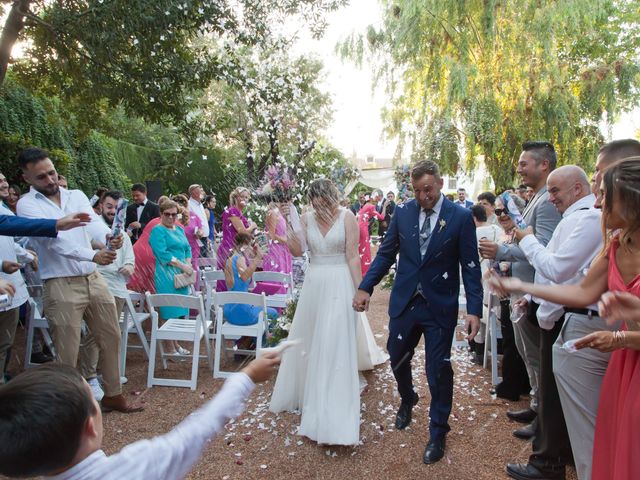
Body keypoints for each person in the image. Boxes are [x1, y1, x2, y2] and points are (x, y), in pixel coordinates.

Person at [487, 157, 640, 480]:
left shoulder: (588, 221)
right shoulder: (614, 244)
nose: (597, 202)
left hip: (626, 351)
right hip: (626, 364)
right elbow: (582, 293)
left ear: (628, 198)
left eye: (603, 195)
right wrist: (520, 285)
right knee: (611, 443)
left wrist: (622, 337)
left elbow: (560, 271)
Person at [353, 160, 483, 464]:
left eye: (428, 189)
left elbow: (471, 267)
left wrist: (474, 309)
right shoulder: (404, 211)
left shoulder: (461, 217)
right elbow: (385, 253)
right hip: (406, 301)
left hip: (440, 304)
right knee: (396, 354)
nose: (423, 196)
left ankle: (438, 431)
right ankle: (408, 396)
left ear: (439, 183)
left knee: (438, 370)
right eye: (417, 190)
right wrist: (365, 286)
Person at [0, 355, 281, 479]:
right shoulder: (134, 467)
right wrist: (247, 377)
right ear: (90, 427)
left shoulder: (36, 459)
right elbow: (198, 430)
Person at [16, 147, 140, 413]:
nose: (50, 180)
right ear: (27, 178)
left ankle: (113, 395)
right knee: (67, 349)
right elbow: (52, 243)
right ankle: (70, 409)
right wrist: (93, 255)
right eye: (41, 177)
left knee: (110, 336)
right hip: (60, 282)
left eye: (52, 173)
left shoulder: (76, 195)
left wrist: (109, 236)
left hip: (93, 278)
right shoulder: (27, 204)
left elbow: (92, 224)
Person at [504, 166, 601, 480]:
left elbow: (558, 269)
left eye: (555, 191)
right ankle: (552, 455)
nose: (551, 198)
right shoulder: (575, 218)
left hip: (571, 318)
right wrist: (532, 299)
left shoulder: (586, 219)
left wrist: (527, 239)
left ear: (577, 188)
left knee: (561, 400)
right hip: (557, 312)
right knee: (552, 395)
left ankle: (548, 463)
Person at [270, 179, 365, 446]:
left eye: (325, 201)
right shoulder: (305, 217)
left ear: (332, 198)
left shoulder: (347, 217)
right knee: (314, 339)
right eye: (315, 202)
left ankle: (334, 403)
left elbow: (352, 256)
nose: (320, 206)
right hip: (314, 284)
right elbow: (298, 250)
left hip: (339, 282)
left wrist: (361, 290)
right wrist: (289, 222)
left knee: (335, 339)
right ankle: (312, 393)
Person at [479, 141, 562, 441]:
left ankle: (543, 420)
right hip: (521, 289)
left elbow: (543, 250)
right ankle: (536, 405)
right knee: (529, 356)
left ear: (543, 165)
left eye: (524, 163)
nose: (518, 168)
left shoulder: (547, 205)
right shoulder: (535, 199)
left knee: (538, 358)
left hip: (533, 291)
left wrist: (502, 250)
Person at [78, 191, 136, 400]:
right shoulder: (90, 230)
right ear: (101, 206)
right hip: (98, 283)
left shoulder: (124, 236)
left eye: (116, 208)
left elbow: (130, 258)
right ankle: (90, 376)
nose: (113, 211)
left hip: (118, 287)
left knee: (112, 333)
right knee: (95, 334)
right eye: (109, 206)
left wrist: (128, 266)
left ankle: (107, 374)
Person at [491, 195, 532, 401]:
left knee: (520, 343)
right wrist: (496, 276)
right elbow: (493, 264)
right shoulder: (501, 235)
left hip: (524, 292)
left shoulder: (525, 233)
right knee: (510, 339)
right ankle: (514, 384)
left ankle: (517, 386)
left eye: (506, 211)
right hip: (505, 292)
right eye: (498, 211)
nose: (502, 215)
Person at [148, 200, 193, 357]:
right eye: (167, 214)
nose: (171, 217)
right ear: (161, 214)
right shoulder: (157, 231)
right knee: (168, 311)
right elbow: (163, 254)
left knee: (178, 310)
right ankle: (170, 348)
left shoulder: (179, 229)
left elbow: (188, 248)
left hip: (182, 274)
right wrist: (182, 266)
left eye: (174, 214)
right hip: (166, 274)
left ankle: (176, 343)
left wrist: (188, 263)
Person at [470, 204, 503, 364]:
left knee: (479, 310)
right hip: (496, 275)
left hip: (481, 274)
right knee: (491, 309)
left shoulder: (473, 233)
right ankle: (489, 348)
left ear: (473, 218)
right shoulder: (497, 229)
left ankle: (478, 349)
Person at [223, 232, 278, 328]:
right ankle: (266, 342)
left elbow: (235, 286)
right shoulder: (239, 258)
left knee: (257, 308)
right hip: (241, 311)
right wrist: (257, 258)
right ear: (245, 245)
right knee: (274, 313)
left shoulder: (228, 259)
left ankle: (248, 341)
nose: (252, 249)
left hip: (228, 310)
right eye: (251, 245)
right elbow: (244, 277)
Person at [216, 187, 257, 291]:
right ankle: (231, 303)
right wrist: (252, 226)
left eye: (247, 197)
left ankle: (237, 302)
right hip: (230, 248)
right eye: (242, 196)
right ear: (236, 198)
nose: (245, 199)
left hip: (238, 248)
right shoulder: (233, 211)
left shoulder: (239, 212)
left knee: (239, 280)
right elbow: (242, 231)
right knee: (232, 280)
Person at [257, 200, 293, 292]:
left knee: (284, 277)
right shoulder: (272, 213)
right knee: (276, 277)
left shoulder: (280, 213)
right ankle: (275, 302)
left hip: (284, 250)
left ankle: (284, 301)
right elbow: (271, 235)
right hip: (276, 251)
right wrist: (286, 241)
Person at [173, 194, 204, 291]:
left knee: (192, 270)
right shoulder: (172, 217)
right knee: (177, 272)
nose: (181, 205)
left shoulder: (194, 216)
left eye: (183, 203)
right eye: (178, 203)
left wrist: (199, 233)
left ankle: (193, 295)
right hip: (176, 249)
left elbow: (201, 230)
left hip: (192, 248)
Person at [357, 192, 385, 276]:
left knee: (360, 248)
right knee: (365, 249)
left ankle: (360, 269)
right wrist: (384, 207)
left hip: (358, 228)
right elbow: (381, 217)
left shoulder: (364, 206)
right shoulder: (371, 206)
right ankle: (365, 272)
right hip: (363, 229)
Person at [188, 184, 210, 257]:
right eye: (201, 190)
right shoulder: (189, 205)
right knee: (199, 262)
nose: (203, 193)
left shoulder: (200, 204)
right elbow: (190, 223)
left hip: (204, 238)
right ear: (194, 193)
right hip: (196, 239)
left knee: (204, 262)